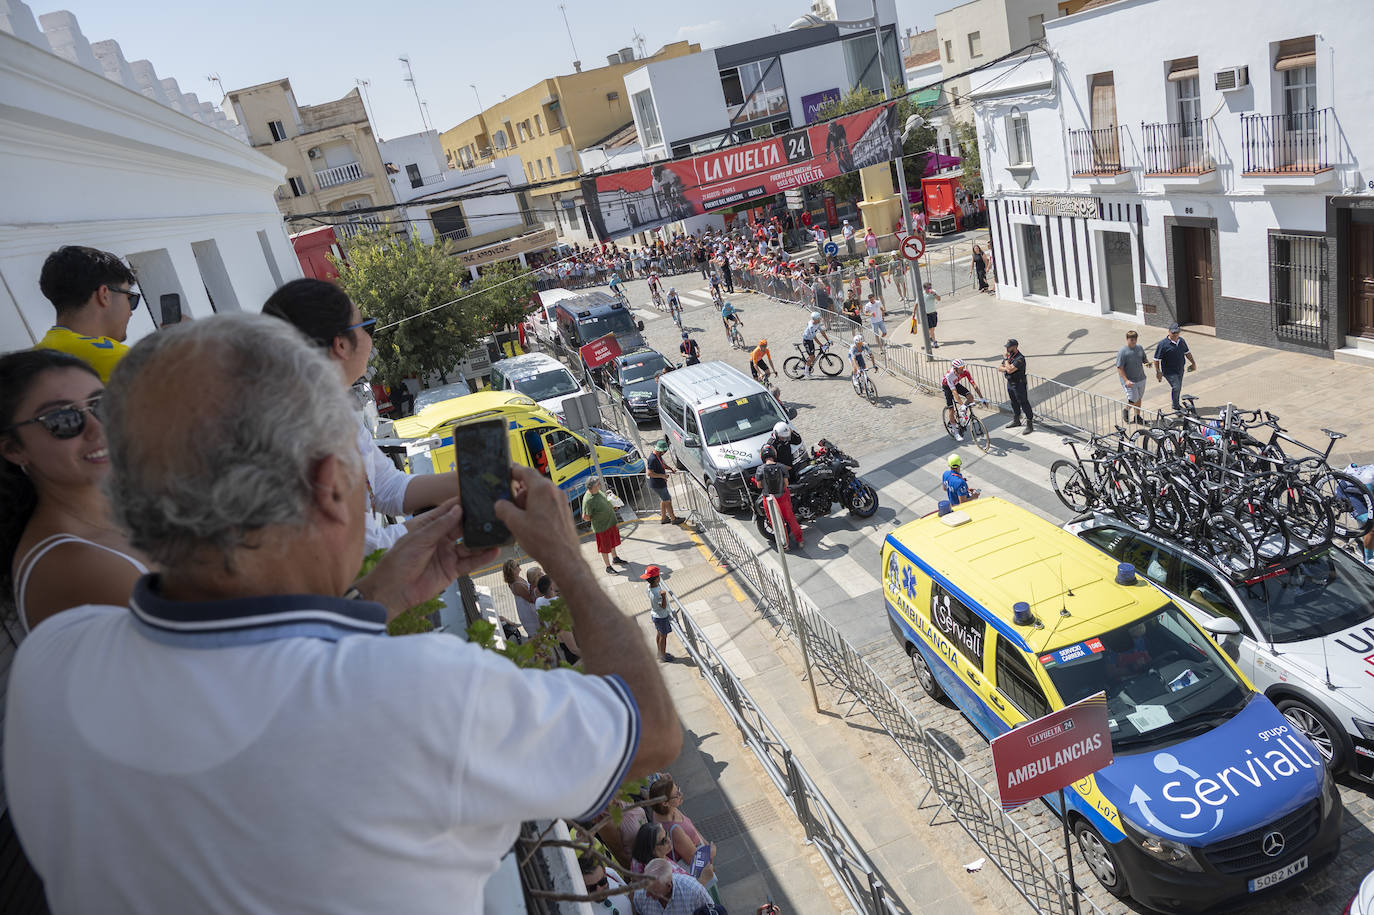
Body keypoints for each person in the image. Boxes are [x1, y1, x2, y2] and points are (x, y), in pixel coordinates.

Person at [4, 314, 681, 912]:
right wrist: (567, 559)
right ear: (331, 485)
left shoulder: (52, 657)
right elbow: (651, 730)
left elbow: (258, 691)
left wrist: (379, 597)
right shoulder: (426, 694)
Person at [262, 278, 457, 551]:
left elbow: (387, 487)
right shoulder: (302, 439)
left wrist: (469, 481)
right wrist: (460, 514)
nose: (370, 338)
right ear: (340, 344)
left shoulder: (334, 412)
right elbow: (366, 550)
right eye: (367, 327)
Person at [1, 350, 149, 635]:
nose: (97, 428)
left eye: (102, 406)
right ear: (13, 449)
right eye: (62, 419)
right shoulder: (77, 563)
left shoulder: (127, 510)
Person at [34, 246, 141, 382]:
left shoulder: (34, 358)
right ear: (104, 295)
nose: (130, 312)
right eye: (129, 298)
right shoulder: (119, 360)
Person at [755, 445, 803, 550]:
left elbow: (759, 486)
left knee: (776, 523)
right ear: (774, 454)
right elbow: (786, 484)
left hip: (769, 500)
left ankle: (785, 544)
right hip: (783, 497)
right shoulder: (781, 467)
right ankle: (799, 540)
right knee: (791, 519)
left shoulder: (760, 469)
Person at [634, 859, 714, 914]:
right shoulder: (640, 894)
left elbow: (713, 912)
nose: (647, 895)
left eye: (653, 892)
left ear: (669, 886)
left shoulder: (694, 891)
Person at [583, 477, 627, 576]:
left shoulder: (597, 492)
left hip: (610, 523)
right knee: (604, 547)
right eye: (598, 484)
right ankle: (608, 567)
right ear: (593, 487)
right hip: (602, 527)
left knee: (612, 542)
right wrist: (597, 518)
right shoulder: (588, 500)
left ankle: (615, 558)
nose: (600, 485)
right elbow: (585, 517)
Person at [1154, 323, 1197, 411]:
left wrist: (1193, 363)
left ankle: (1176, 404)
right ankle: (1176, 406)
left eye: (1177, 333)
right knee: (1176, 387)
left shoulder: (1181, 341)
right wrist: (1158, 371)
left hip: (1180, 369)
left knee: (1178, 387)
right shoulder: (1163, 344)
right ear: (1169, 332)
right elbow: (1156, 359)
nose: (1175, 335)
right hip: (1169, 371)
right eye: (1173, 333)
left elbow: (1187, 353)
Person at [941, 358, 984, 440]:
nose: (963, 369)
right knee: (951, 409)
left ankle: (961, 414)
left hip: (955, 383)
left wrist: (982, 398)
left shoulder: (965, 372)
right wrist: (962, 405)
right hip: (947, 386)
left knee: (970, 397)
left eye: (963, 367)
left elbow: (974, 385)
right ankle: (955, 432)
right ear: (955, 369)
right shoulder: (949, 375)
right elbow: (954, 392)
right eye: (961, 368)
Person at [1116, 330, 1152, 425]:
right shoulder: (1123, 352)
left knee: (1139, 398)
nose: (1134, 341)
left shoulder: (1139, 348)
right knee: (1134, 398)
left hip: (1141, 378)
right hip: (1129, 381)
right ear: (1127, 339)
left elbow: (1144, 358)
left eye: (1135, 339)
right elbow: (1119, 368)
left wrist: (1147, 363)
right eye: (1131, 339)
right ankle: (1126, 410)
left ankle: (1137, 416)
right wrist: (1126, 380)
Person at [502, 558, 541, 642]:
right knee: (536, 633)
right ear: (513, 570)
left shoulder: (516, 579)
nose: (519, 565)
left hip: (525, 608)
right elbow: (530, 599)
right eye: (517, 565)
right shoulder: (517, 585)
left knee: (535, 633)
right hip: (528, 610)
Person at [999, 339, 1033, 434]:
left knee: (1024, 403)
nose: (1007, 348)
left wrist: (1006, 361)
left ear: (1015, 346)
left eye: (1009, 346)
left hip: (1019, 384)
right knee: (1014, 402)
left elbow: (1009, 370)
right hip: (1010, 383)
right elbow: (1000, 368)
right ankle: (1016, 420)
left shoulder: (1019, 358)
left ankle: (1029, 424)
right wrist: (1007, 366)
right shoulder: (1010, 357)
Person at [642, 565, 675, 662]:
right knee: (663, 637)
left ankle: (659, 653)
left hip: (655, 614)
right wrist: (664, 596)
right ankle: (663, 655)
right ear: (657, 579)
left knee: (659, 634)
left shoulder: (648, 587)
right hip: (661, 617)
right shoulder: (658, 593)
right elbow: (663, 606)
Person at [647, 439, 682, 524]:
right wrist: (662, 476)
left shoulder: (658, 456)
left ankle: (664, 518)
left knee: (664, 500)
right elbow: (649, 473)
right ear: (661, 451)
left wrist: (670, 469)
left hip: (660, 483)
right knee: (668, 500)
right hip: (658, 485)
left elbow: (663, 465)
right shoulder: (652, 459)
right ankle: (673, 519)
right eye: (665, 451)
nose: (665, 453)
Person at [800, 312, 830, 377]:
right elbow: (815, 338)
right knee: (811, 357)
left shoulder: (817, 323)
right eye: (819, 318)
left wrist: (828, 340)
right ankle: (806, 372)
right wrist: (822, 345)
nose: (820, 319)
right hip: (807, 341)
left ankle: (807, 364)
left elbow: (822, 332)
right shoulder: (811, 326)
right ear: (816, 319)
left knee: (812, 356)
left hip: (810, 340)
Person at [917, 281, 942, 348]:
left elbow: (939, 299)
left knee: (932, 329)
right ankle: (934, 342)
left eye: (930, 287)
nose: (930, 289)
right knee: (931, 329)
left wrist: (934, 294)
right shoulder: (921, 294)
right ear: (925, 289)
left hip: (933, 313)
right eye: (928, 288)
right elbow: (916, 303)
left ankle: (930, 338)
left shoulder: (933, 292)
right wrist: (914, 313)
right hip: (926, 315)